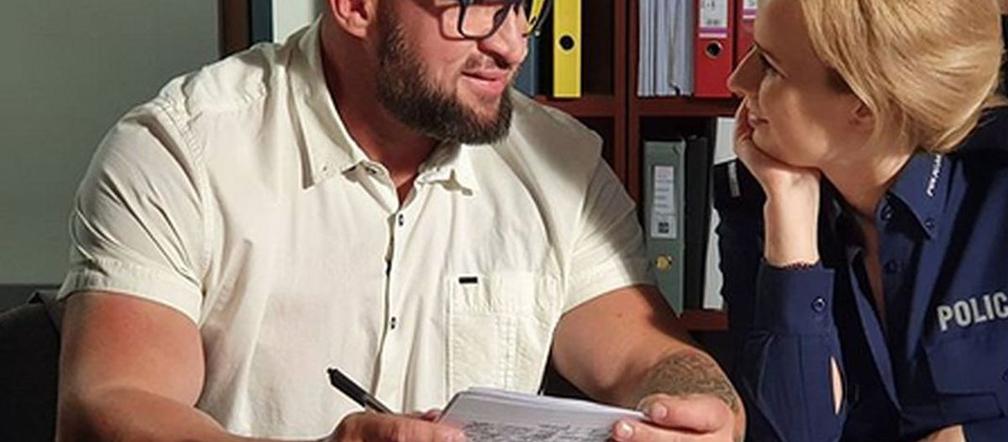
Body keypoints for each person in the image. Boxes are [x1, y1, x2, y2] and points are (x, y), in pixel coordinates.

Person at [55, 1, 745, 441]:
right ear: (357, 6)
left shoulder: (559, 163)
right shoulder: (181, 150)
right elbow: (109, 403)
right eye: (475, 7)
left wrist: (697, 404)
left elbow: (645, 356)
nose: (512, 46)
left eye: (523, 7)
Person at [715, 0, 1006, 440]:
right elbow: (791, 434)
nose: (737, 80)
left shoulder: (995, 198)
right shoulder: (758, 211)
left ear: (865, 107)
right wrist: (791, 219)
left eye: (771, 67)